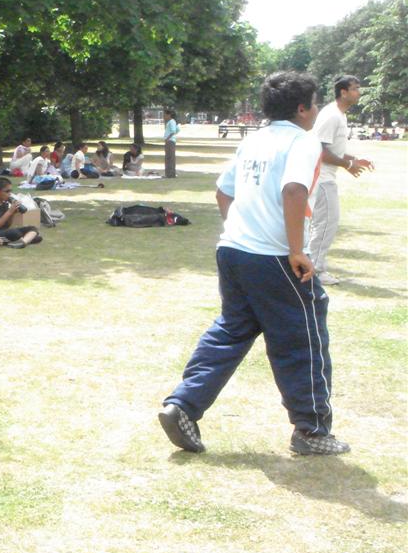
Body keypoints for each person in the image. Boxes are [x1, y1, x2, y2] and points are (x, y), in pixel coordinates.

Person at [158, 71, 350, 456]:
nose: (316, 110)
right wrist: (297, 249)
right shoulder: (303, 142)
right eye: (313, 103)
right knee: (303, 337)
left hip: (233, 251)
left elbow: (223, 192)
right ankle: (312, 431)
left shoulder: (255, 140)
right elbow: (294, 189)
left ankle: (182, 405)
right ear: (302, 108)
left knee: (232, 329)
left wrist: (242, 230)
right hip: (275, 256)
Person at [308, 75, 375, 285]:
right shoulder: (331, 116)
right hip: (321, 178)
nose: (358, 92)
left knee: (322, 223)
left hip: (325, 176)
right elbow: (318, 150)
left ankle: (312, 267)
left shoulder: (339, 115)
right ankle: (316, 271)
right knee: (327, 223)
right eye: (355, 88)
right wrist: (347, 165)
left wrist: (354, 159)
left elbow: (332, 149)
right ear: (343, 92)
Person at [0, 177, 42, 248]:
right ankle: (26, 239)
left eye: (10, 191)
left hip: (4, 231)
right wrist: (9, 212)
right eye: (7, 191)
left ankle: (23, 242)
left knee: (33, 228)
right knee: (14, 233)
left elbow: (8, 225)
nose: (9, 194)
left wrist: (13, 213)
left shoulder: (5, 203)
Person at [163, 108, 179, 178]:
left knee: (170, 158)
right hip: (169, 141)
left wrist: (167, 138)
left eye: (165, 115)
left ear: (169, 115)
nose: (164, 116)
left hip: (170, 141)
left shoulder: (172, 121)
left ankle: (171, 174)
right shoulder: (170, 122)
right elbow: (177, 129)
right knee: (168, 157)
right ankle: (168, 173)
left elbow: (173, 131)